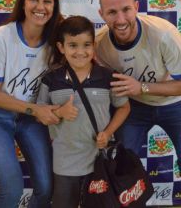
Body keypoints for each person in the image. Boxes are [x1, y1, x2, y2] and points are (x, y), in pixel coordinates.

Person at [95, 0, 181, 208]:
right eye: (112, 12)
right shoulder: (99, 44)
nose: (121, 19)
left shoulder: (164, 34)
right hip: (133, 108)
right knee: (123, 164)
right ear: (101, 14)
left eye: (126, 9)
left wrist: (141, 87)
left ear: (136, 6)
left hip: (175, 104)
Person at [0, 0, 62, 208]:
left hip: (30, 119)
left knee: (46, 187)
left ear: (54, 7)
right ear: (23, 3)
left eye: (47, 1)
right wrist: (35, 109)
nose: (40, 7)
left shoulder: (57, 43)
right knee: (11, 188)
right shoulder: (1, 37)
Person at [36, 16, 130, 208]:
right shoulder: (50, 80)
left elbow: (124, 107)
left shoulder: (108, 76)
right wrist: (60, 112)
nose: (80, 52)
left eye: (86, 45)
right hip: (64, 163)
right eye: (73, 45)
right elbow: (40, 115)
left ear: (94, 45)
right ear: (61, 47)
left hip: (98, 162)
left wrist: (108, 132)